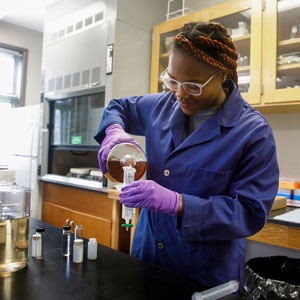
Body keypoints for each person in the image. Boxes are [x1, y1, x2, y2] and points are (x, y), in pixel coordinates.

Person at [94, 21, 279, 289]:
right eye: (172, 80)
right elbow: (118, 107)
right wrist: (113, 132)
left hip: (203, 273)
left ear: (222, 75)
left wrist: (178, 203)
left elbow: (249, 213)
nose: (180, 94)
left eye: (193, 86)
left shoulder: (252, 132)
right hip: (148, 256)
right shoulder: (161, 105)